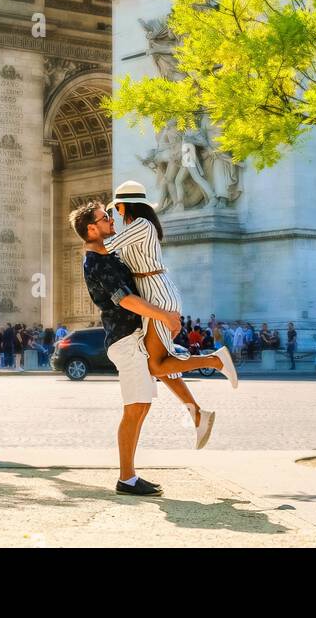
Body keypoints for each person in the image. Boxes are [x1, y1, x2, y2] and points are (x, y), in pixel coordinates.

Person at [70, 199, 197, 496]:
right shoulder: (96, 261)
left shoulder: (108, 253)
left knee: (140, 407)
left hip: (134, 336)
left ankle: (129, 475)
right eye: (105, 218)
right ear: (91, 228)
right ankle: (126, 478)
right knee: (135, 408)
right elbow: (125, 299)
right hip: (125, 340)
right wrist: (164, 314)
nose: (111, 221)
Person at [102, 181, 238, 440]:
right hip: (155, 294)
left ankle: (216, 360)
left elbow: (108, 247)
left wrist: (90, 240)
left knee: (155, 365)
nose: (115, 213)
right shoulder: (140, 227)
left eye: (116, 208)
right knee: (162, 364)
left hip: (157, 295)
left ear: (123, 206)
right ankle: (197, 413)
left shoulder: (141, 225)